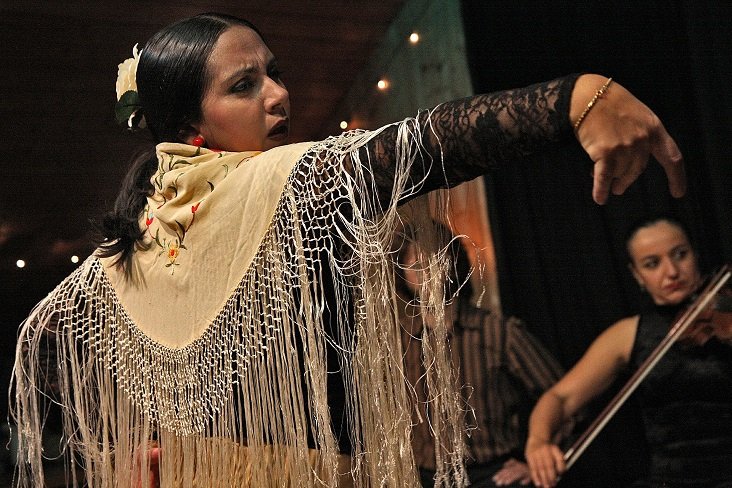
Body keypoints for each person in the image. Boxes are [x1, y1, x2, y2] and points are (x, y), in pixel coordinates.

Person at [11, 11, 686, 488]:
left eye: (274, 74)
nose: (279, 95)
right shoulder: (279, 185)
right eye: (245, 85)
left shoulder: (138, 244)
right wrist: (572, 101)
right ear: (190, 120)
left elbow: (41, 342)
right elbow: (422, 146)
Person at [524, 216, 732, 488]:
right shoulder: (628, 333)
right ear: (637, 275)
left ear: (696, 254)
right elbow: (560, 397)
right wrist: (538, 441)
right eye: (652, 264)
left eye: (680, 255)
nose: (671, 271)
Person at [396, 226, 568, 487]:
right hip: (423, 476)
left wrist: (535, 460)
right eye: (416, 266)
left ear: (452, 263)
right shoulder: (400, 341)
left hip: (492, 473)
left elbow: (563, 397)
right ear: (402, 274)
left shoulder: (498, 331)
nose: (426, 273)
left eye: (434, 261)